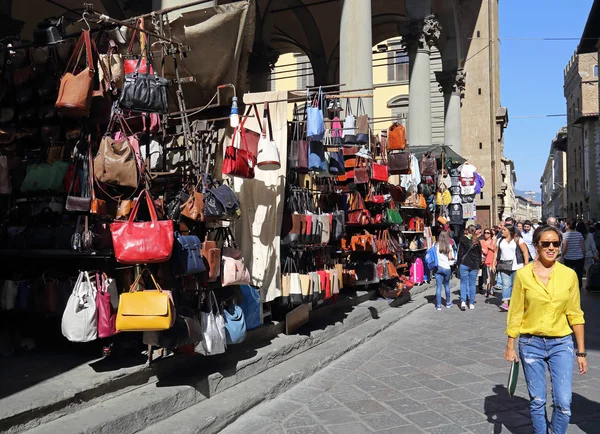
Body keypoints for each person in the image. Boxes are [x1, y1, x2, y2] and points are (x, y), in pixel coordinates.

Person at [504, 225, 587, 434]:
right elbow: (515, 312)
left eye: (555, 244)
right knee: (537, 400)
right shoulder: (523, 275)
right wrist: (510, 345)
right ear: (536, 246)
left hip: (562, 344)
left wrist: (581, 352)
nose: (551, 248)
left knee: (563, 402)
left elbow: (575, 314)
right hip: (531, 344)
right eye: (546, 244)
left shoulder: (569, 275)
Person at [492, 225, 529, 311]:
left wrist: (526, 263)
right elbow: (496, 253)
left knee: (515, 285)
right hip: (503, 265)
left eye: (504, 230)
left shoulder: (517, 240)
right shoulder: (500, 240)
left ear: (509, 231)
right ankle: (505, 303)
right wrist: (494, 264)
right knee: (506, 284)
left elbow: (525, 251)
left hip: (517, 266)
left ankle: (515, 302)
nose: (502, 231)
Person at [457, 225, 482, 310]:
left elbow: (460, 254)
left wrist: (458, 264)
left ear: (467, 231)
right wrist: (478, 266)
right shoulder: (477, 242)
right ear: (475, 231)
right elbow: (479, 255)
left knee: (463, 283)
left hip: (464, 264)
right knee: (472, 284)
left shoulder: (463, 240)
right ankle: (471, 303)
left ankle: (463, 302)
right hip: (474, 265)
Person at [434, 230, 454, 310]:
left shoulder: (435, 245)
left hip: (438, 268)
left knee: (438, 287)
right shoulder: (449, 245)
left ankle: (438, 305)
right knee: (446, 285)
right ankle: (448, 303)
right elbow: (450, 257)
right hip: (446, 267)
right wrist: (453, 258)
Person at [562, 218, 585, 288]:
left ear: (568, 225)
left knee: (569, 275)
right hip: (579, 257)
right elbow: (583, 247)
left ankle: (570, 287)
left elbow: (565, 247)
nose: (565, 225)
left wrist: (562, 255)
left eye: (566, 224)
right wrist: (584, 255)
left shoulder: (564, 235)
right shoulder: (579, 234)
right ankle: (578, 288)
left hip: (568, 258)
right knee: (579, 275)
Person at [578, 221, 599, 287]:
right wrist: (595, 254)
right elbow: (593, 245)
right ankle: (588, 284)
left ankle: (579, 284)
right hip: (588, 255)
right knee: (588, 271)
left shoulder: (577, 235)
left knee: (579, 271)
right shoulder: (589, 235)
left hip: (579, 255)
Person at [479, 228, 496, 297]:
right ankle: (487, 290)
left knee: (491, 276)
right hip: (484, 261)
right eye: (485, 232)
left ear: (491, 234)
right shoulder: (481, 241)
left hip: (492, 260)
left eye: (488, 233)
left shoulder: (493, 241)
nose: (486, 234)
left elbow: (495, 249)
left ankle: (491, 287)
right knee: (486, 277)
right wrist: (482, 249)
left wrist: (488, 246)